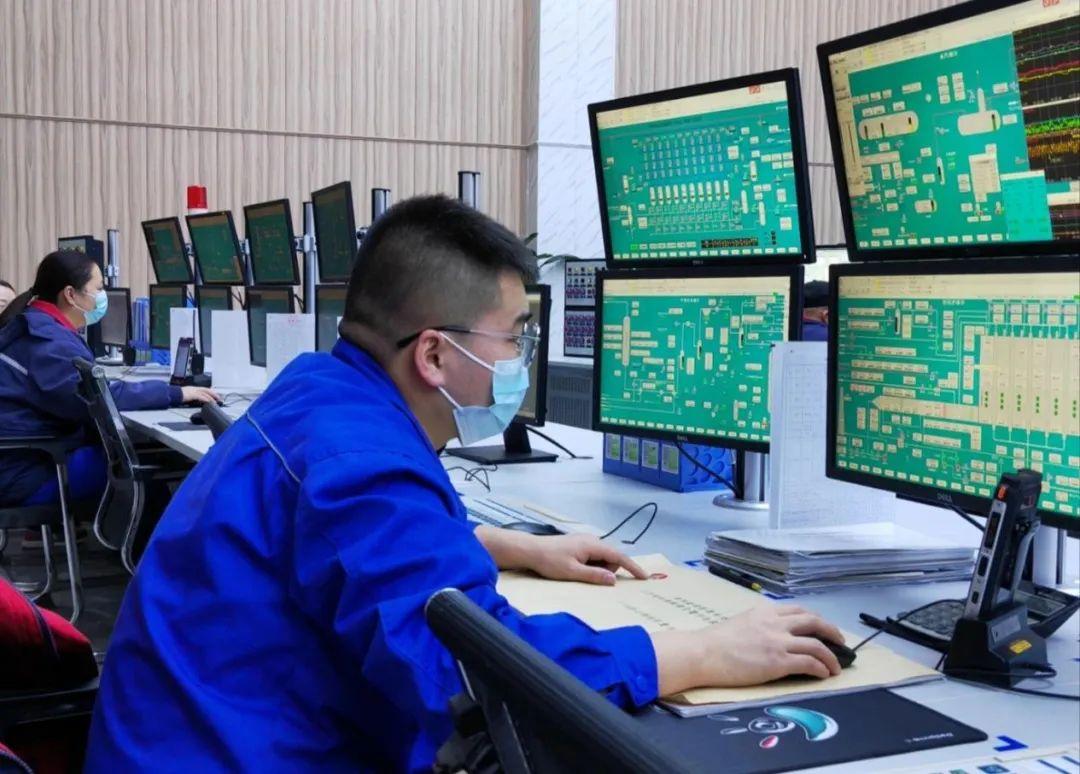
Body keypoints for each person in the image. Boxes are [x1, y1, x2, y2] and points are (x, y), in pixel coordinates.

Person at [86, 196, 845, 772]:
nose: (522, 357)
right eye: (514, 336)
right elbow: (469, 671)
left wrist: (507, 544)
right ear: (434, 356)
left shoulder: (319, 392)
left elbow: (337, 540)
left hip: (184, 736)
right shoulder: (361, 459)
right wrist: (704, 652)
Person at [0, 251, 218, 508]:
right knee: (153, 470)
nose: (103, 296)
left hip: (22, 462)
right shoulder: (48, 342)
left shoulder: (33, 325)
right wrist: (177, 393)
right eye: (99, 288)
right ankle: (143, 536)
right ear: (70, 294)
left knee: (144, 456)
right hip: (29, 474)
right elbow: (98, 398)